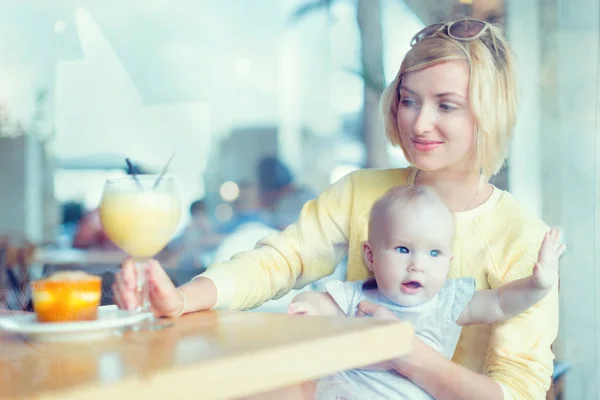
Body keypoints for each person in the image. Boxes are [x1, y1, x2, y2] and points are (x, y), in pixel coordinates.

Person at [113, 17, 560, 399]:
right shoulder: (360, 192)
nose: (419, 123)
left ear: (489, 112)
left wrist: (403, 350)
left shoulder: (522, 237)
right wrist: (181, 299)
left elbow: (518, 390)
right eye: (409, 99)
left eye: (447, 105)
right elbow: (280, 261)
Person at [287, 185, 564, 400]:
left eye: (434, 253)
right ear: (370, 257)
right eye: (403, 249)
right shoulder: (358, 297)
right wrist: (307, 306)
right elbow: (320, 303)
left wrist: (537, 285)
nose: (418, 266)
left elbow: (501, 303)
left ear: (449, 262)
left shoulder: (446, 301)